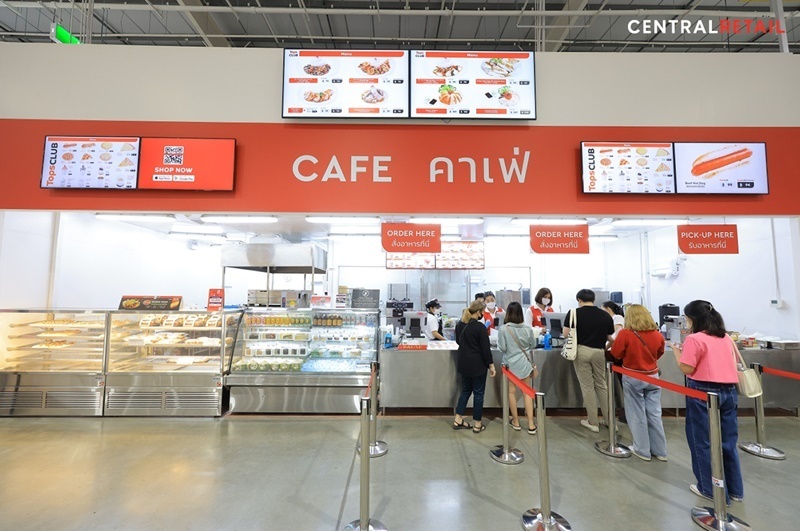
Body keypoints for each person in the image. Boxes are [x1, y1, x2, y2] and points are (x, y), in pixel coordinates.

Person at [670, 300, 744, 505]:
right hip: (729, 392)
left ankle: (708, 488)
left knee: (701, 441)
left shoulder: (694, 339)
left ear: (693, 319)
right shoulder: (725, 337)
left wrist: (676, 351)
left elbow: (687, 368)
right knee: (728, 443)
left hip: (703, 392)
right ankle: (735, 490)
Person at [610, 304, 667, 461]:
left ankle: (642, 450)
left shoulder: (625, 334)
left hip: (632, 376)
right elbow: (660, 353)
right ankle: (660, 451)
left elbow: (616, 353)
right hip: (653, 376)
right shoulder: (657, 334)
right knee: (655, 414)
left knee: (636, 413)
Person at [563, 289, 615, 433]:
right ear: (593, 299)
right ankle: (610, 421)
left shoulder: (573, 313)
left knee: (587, 386)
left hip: (582, 351)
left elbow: (566, 334)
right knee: (601, 385)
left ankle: (593, 421)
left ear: (579, 300)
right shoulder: (605, 315)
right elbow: (609, 336)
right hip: (599, 352)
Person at [453, 300, 496, 433]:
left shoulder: (460, 325)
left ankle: (458, 419)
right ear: (478, 312)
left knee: (465, 391)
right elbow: (485, 349)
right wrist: (491, 365)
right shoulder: (479, 327)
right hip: (478, 365)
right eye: (482, 312)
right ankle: (477, 423)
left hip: (464, 363)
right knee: (478, 394)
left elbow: (458, 341)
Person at [498, 302, 537, 434]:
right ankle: (531, 424)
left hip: (510, 365)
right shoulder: (528, 329)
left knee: (511, 393)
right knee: (527, 393)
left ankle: (515, 421)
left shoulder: (503, 329)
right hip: (525, 364)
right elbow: (532, 345)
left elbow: (502, 348)